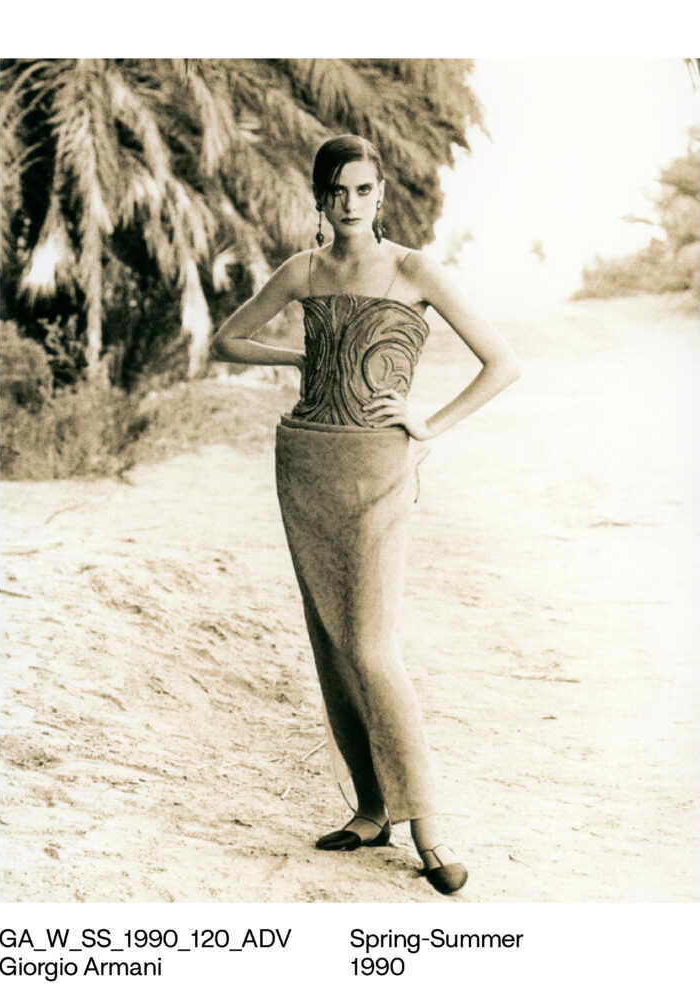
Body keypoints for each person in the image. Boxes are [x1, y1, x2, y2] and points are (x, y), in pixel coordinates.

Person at [212, 134, 520, 896]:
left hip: (380, 469)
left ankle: (428, 828)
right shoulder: (304, 271)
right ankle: (371, 809)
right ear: (319, 199)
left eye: (361, 189)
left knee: (372, 646)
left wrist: (427, 425)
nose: (348, 204)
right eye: (335, 191)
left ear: (380, 194)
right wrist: (297, 360)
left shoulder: (414, 271)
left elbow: (502, 363)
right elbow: (226, 340)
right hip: (306, 464)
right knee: (332, 641)